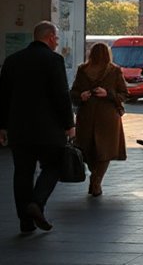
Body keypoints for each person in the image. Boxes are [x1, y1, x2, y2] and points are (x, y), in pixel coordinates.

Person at [0, 21, 75, 233]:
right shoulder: (53, 60)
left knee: (22, 173)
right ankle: (37, 203)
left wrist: (3, 126)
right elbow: (61, 95)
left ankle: (25, 222)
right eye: (57, 39)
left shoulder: (12, 61)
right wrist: (69, 124)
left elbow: (3, 96)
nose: (57, 43)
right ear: (50, 37)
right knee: (54, 165)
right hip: (48, 129)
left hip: (19, 129)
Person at [71, 42, 128, 197]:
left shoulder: (83, 69)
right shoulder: (114, 70)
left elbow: (73, 92)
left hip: (87, 115)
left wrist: (81, 96)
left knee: (87, 148)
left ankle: (95, 181)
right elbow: (124, 93)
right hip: (108, 117)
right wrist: (109, 94)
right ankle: (96, 181)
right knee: (105, 151)